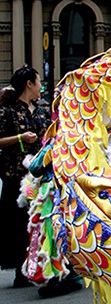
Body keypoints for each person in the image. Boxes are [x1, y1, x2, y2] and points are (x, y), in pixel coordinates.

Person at [0, 66, 51, 287]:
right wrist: (20, 137)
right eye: (38, 82)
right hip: (16, 176)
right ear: (29, 84)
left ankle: (40, 264)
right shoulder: (7, 110)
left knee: (39, 218)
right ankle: (22, 268)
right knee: (19, 221)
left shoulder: (42, 110)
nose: (41, 86)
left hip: (39, 175)